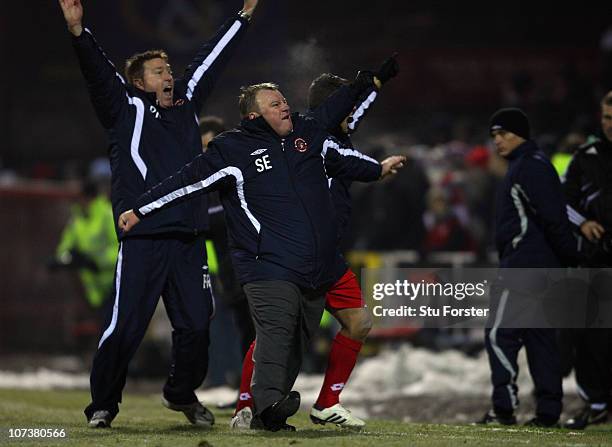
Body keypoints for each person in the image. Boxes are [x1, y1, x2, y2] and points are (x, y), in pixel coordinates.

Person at [119, 81, 405, 431]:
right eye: (275, 103)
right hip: (270, 262)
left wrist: (377, 166)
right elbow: (186, 181)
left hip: (323, 263)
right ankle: (256, 405)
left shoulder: (312, 136)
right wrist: (141, 209)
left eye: (285, 99)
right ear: (255, 114)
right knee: (275, 330)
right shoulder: (235, 149)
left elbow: (348, 153)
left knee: (311, 333)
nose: (285, 106)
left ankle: (309, 404)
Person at [58, 0, 259, 429]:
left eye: (169, 69)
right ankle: (103, 405)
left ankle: (180, 393)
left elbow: (212, 57)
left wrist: (243, 15)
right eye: (158, 71)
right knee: (124, 328)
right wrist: (79, 32)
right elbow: (98, 72)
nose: (168, 75)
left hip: (188, 238)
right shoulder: (123, 108)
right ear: (138, 82)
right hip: (144, 237)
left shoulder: (186, 106)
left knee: (197, 327)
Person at [230, 61, 401, 430]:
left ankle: (327, 403)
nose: (354, 116)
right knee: (275, 332)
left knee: (358, 322)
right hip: (297, 255)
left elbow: (357, 108)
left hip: (329, 258)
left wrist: (376, 83)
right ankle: (246, 406)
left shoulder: (335, 131)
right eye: (348, 108)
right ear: (335, 107)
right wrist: (377, 167)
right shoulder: (307, 140)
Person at [478, 108, 577, 427]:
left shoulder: (527, 168)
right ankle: (548, 412)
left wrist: (570, 258)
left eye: (504, 134)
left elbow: (553, 218)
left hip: (524, 266)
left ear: (521, 134)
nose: (498, 141)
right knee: (540, 339)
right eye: (494, 135)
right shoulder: (532, 165)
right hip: (540, 266)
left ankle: (504, 407)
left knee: (498, 333)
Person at [561, 91, 612, 429]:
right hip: (596, 259)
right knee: (588, 336)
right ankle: (596, 403)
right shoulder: (586, 157)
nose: (611, 125)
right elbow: (562, 200)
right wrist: (585, 223)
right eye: (607, 118)